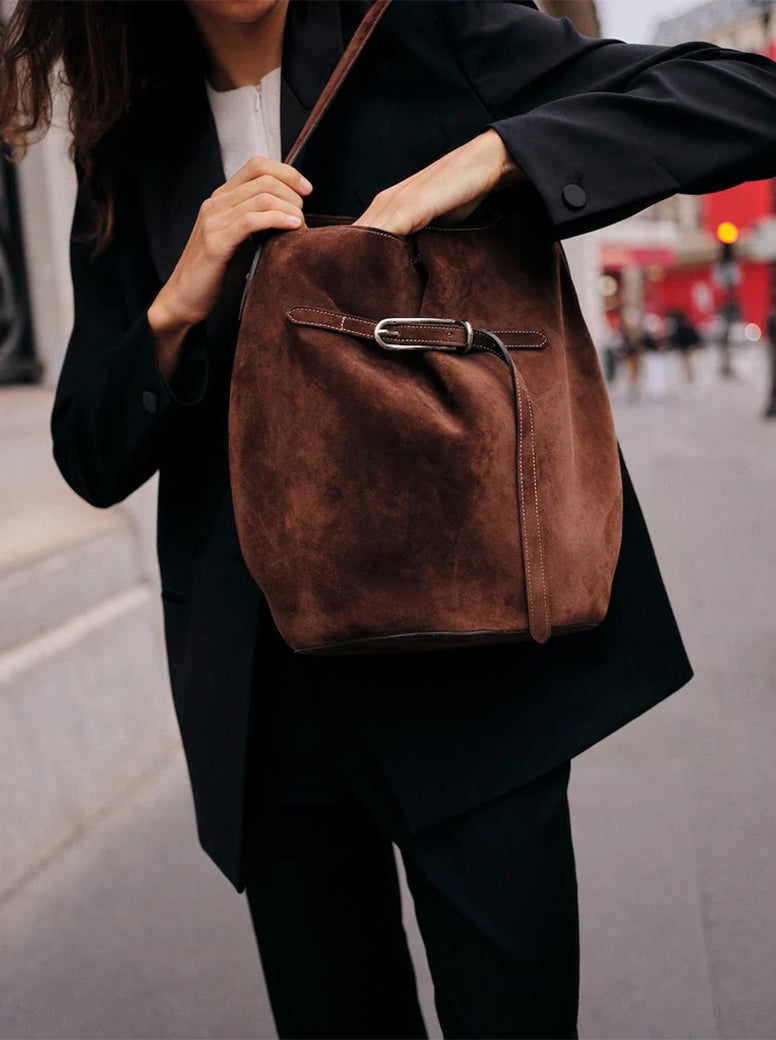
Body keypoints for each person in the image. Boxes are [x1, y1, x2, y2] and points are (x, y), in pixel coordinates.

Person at [3, 1, 776, 1036]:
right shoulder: (129, 143)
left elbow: (743, 95)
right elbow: (88, 457)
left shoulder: (428, 31)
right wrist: (177, 301)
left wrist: (496, 156)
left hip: (469, 660)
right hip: (262, 699)